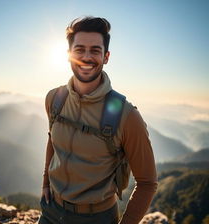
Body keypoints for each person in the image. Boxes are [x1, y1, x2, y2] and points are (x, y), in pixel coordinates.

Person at [39, 16, 158, 224]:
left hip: (96, 218)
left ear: (106, 57)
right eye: (79, 49)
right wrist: (45, 184)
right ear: (68, 54)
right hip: (50, 211)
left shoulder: (126, 116)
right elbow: (52, 140)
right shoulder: (55, 99)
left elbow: (147, 182)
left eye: (95, 50)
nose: (86, 57)